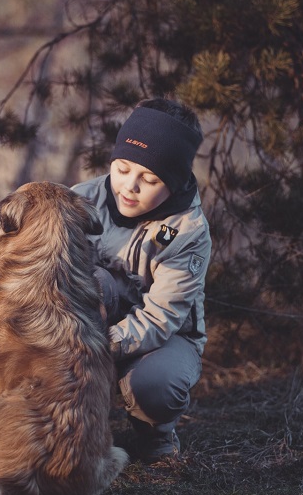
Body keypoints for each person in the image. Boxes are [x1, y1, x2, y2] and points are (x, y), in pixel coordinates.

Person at [71, 98, 212, 463]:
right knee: (95, 281)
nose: (129, 186)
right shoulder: (80, 199)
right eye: (121, 168)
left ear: (176, 181)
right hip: (90, 322)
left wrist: (97, 347)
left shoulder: (188, 232)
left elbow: (161, 318)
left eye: (149, 179)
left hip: (162, 338)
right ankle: (68, 425)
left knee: (156, 385)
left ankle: (155, 434)